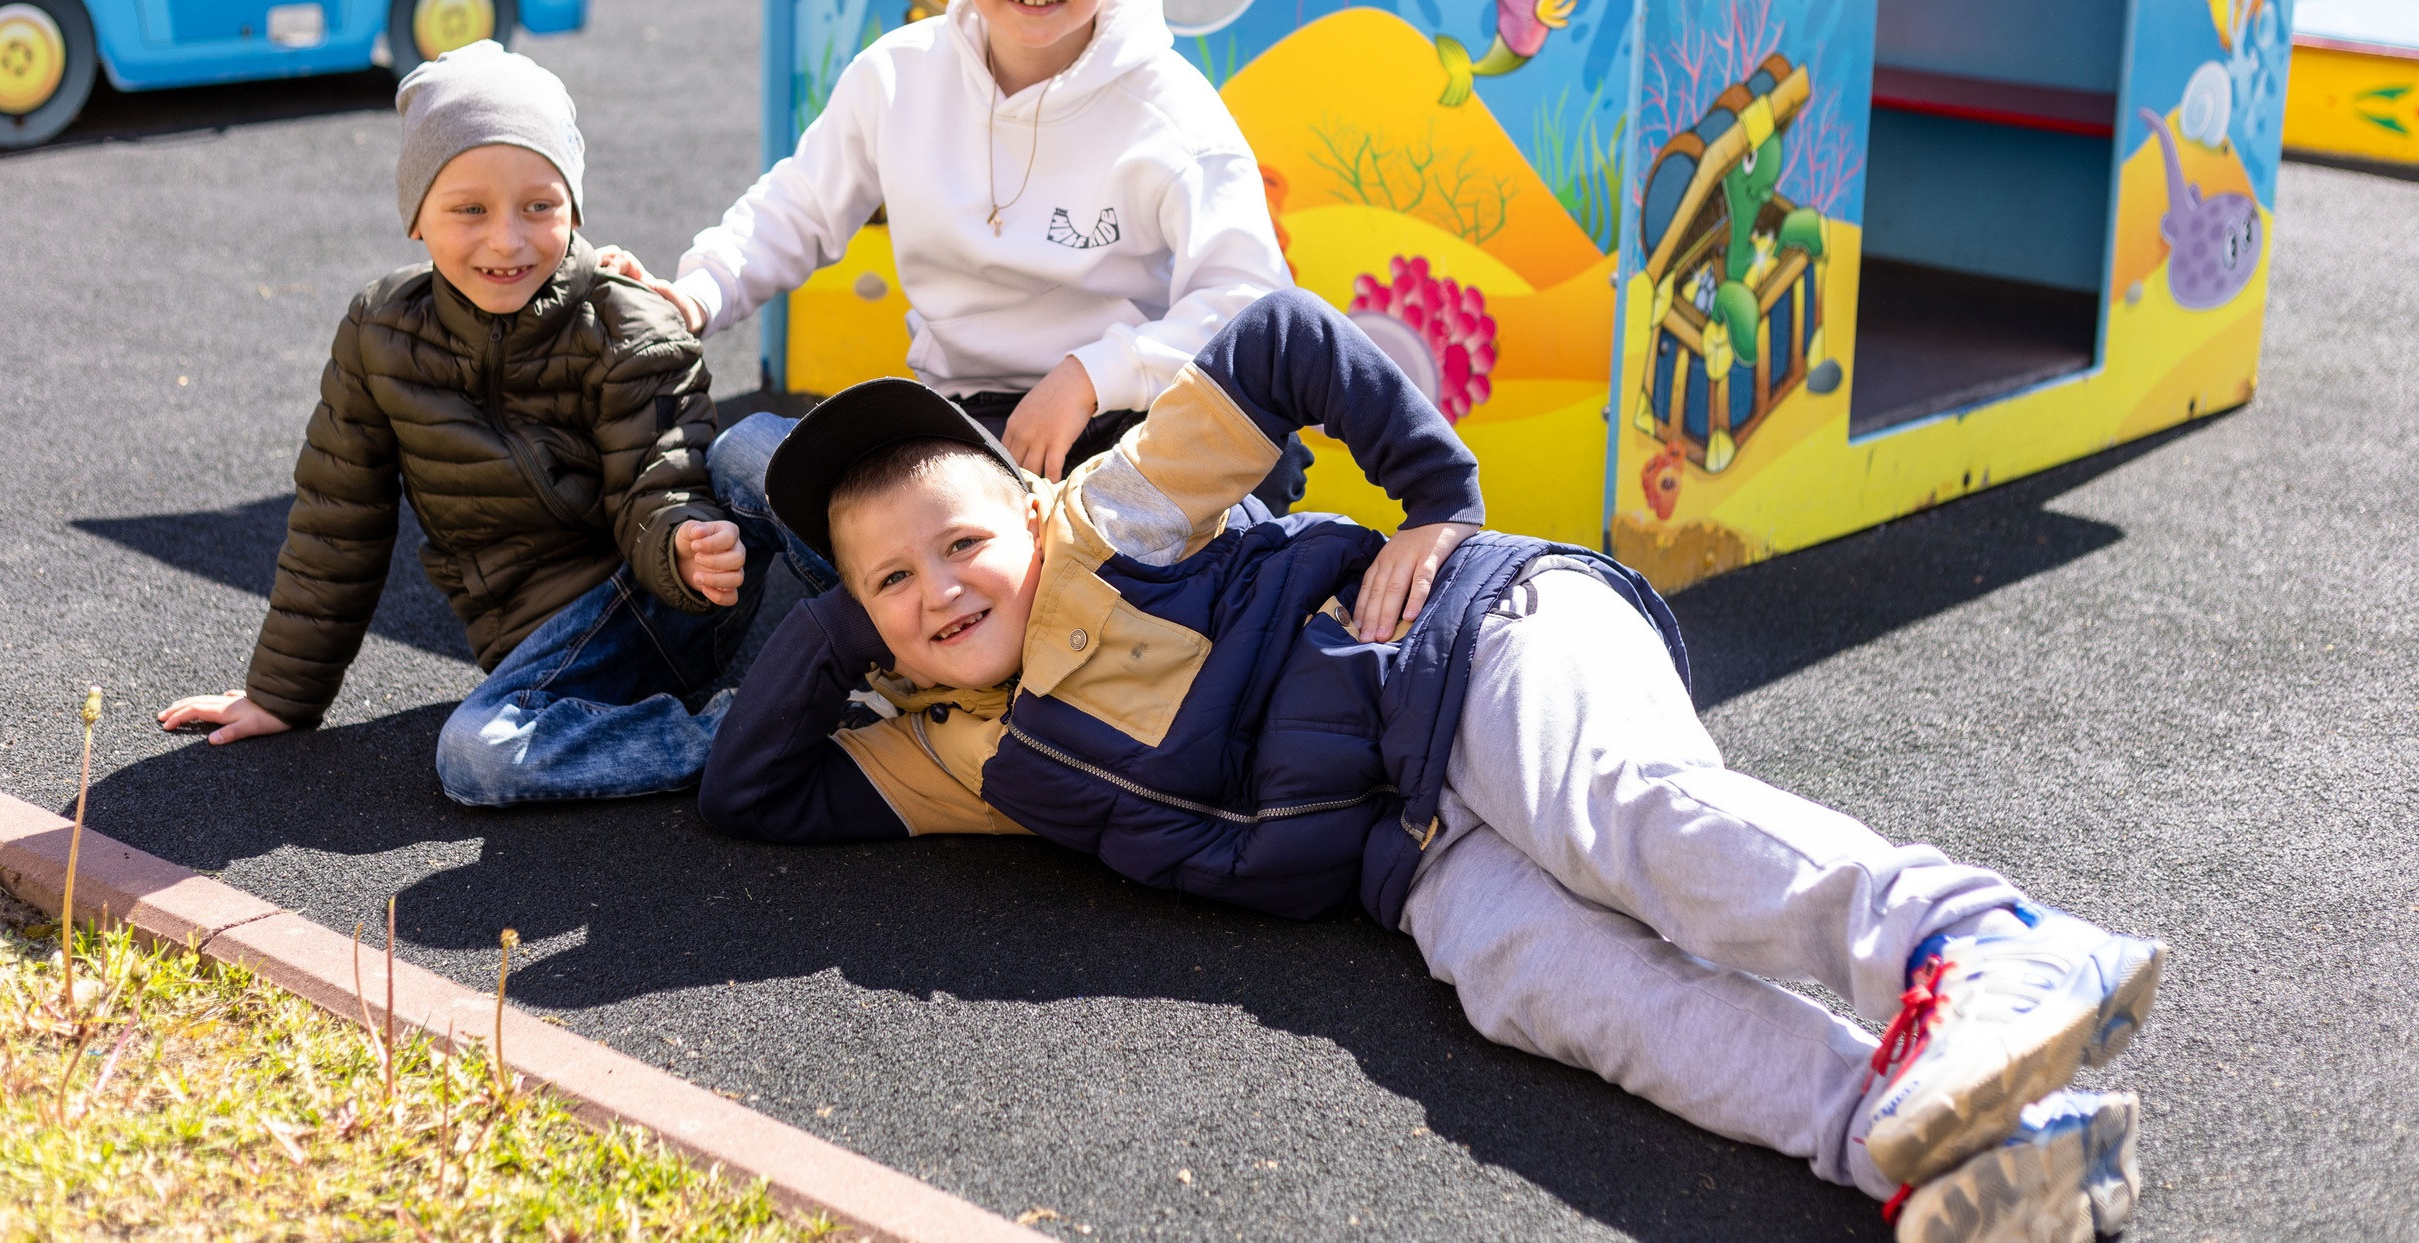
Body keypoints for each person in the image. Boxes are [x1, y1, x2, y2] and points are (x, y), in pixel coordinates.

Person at [697, 290, 2160, 1243]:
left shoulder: (1102, 523)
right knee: (1543, 987)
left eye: (960, 541)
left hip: (1471, 647)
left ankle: (1976, 944)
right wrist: (830, 625)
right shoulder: (961, 751)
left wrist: (1438, 500)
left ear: (1028, 509)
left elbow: (1281, 339)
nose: (939, 588)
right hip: (1416, 855)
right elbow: (754, 792)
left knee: (1617, 819)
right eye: (892, 582)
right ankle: (1928, 1141)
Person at [603, 0, 1298, 591]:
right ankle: (1019, 584)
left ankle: (993, 591)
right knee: (748, 451)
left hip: (1130, 422)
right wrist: (694, 294)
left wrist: (1090, 374)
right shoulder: (898, 78)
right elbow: (796, 208)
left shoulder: (1171, 111)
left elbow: (1251, 303)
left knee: (1234, 484)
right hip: (969, 427)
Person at [157, 43, 768, 807]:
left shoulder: (624, 322)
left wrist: (683, 541)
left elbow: (659, 474)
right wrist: (282, 693)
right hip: (552, 652)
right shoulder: (380, 332)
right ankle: (749, 734)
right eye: (470, 209)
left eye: (539, 206)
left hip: (671, 594)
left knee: (764, 451)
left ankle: (885, 647)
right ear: (416, 216)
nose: (506, 239)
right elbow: (337, 522)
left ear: (574, 209)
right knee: (478, 753)